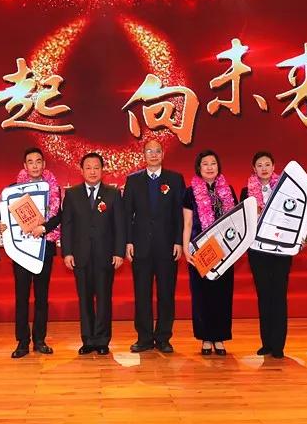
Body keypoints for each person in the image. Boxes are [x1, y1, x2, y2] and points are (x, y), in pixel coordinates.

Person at [123, 139, 186, 353]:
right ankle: (144, 338)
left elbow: (179, 214)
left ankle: (163, 337)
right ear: (144, 155)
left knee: (166, 294)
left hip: (167, 246)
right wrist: (128, 241)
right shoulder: (133, 180)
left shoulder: (175, 179)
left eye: (157, 151)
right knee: (142, 294)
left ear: (162, 154)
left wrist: (178, 241)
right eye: (149, 151)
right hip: (140, 246)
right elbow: (127, 214)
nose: (153, 154)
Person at [61, 152, 125, 355]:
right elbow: (67, 226)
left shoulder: (113, 193)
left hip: (105, 255)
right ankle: (88, 340)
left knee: (104, 299)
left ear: (102, 170)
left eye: (96, 167)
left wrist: (119, 252)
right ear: (81, 171)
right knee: (85, 299)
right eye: (88, 167)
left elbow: (119, 226)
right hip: (80, 256)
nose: (92, 171)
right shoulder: (72, 194)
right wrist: (67, 252)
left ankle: (102, 340)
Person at [1, 148, 61, 359]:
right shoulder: (13, 190)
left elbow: (58, 215)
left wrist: (43, 227)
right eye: (30, 162)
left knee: (42, 296)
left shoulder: (52, 189)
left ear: (44, 164)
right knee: (22, 296)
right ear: (24, 166)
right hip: (21, 249)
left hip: (44, 247)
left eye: (38, 161)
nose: (35, 165)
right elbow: (6, 217)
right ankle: (22, 342)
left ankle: (40, 340)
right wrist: (2, 226)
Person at [182, 150, 237, 356]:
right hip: (200, 250)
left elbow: (235, 221)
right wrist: (186, 248)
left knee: (222, 294)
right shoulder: (190, 193)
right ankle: (206, 338)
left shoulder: (228, 190)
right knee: (202, 294)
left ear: (218, 166)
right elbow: (188, 223)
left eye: (213, 163)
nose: (209, 167)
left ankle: (220, 338)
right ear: (199, 168)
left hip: (225, 249)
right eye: (205, 164)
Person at [240, 151, 292, 359]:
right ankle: (266, 343)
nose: (264, 168)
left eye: (267, 164)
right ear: (254, 169)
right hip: (258, 250)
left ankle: (278, 344)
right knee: (263, 295)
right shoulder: (246, 191)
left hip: (281, 249)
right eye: (259, 165)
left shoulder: (286, 189)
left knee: (279, 295)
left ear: (274, 167)